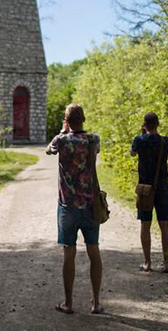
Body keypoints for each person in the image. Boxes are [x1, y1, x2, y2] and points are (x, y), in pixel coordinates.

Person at [45, 103, 104, 315]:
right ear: (84, 119)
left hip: (67, 206)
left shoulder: (60, 140)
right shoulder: (93, 139)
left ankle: (69, 303)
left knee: (69, 254)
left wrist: (63, 130)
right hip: (90, 206)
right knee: (93, 251)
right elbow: (94, 152)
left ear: (67, 121)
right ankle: (96, 303)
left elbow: (48, 151)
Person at [130, 111, 168, 273]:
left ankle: (147, 262)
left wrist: (142, 135)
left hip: (145, 189)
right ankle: (167, 262)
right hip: (162, 187)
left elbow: (133, 153)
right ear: (158, 124)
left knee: (145, 225)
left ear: (144, 125)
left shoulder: (139, 140)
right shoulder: (166, 142)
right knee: (164, 225)